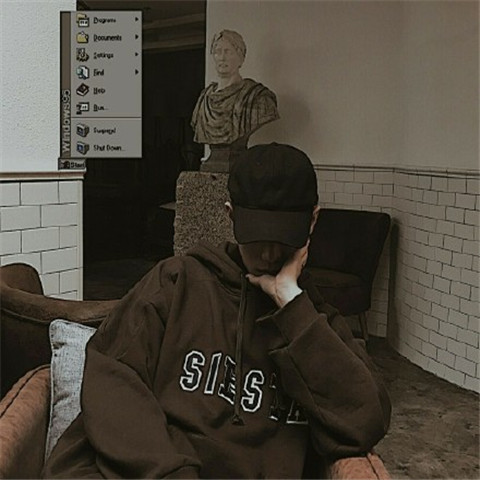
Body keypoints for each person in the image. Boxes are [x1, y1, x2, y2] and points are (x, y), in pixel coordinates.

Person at [44, 143, 391, 479]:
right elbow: (112, 377)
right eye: (257, 237)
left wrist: (292, 306)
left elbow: (366, 420)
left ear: (312, 221)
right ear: (230, 215)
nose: (269, 255)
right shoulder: (177, 282)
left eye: (284, 238)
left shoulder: (316, 322)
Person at [191, 30, 279, 164]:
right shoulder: (204, 98)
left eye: (228, 52)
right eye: (218, 52)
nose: (222, 58)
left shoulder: (257, 97)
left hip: (239, 163)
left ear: (241, 58)